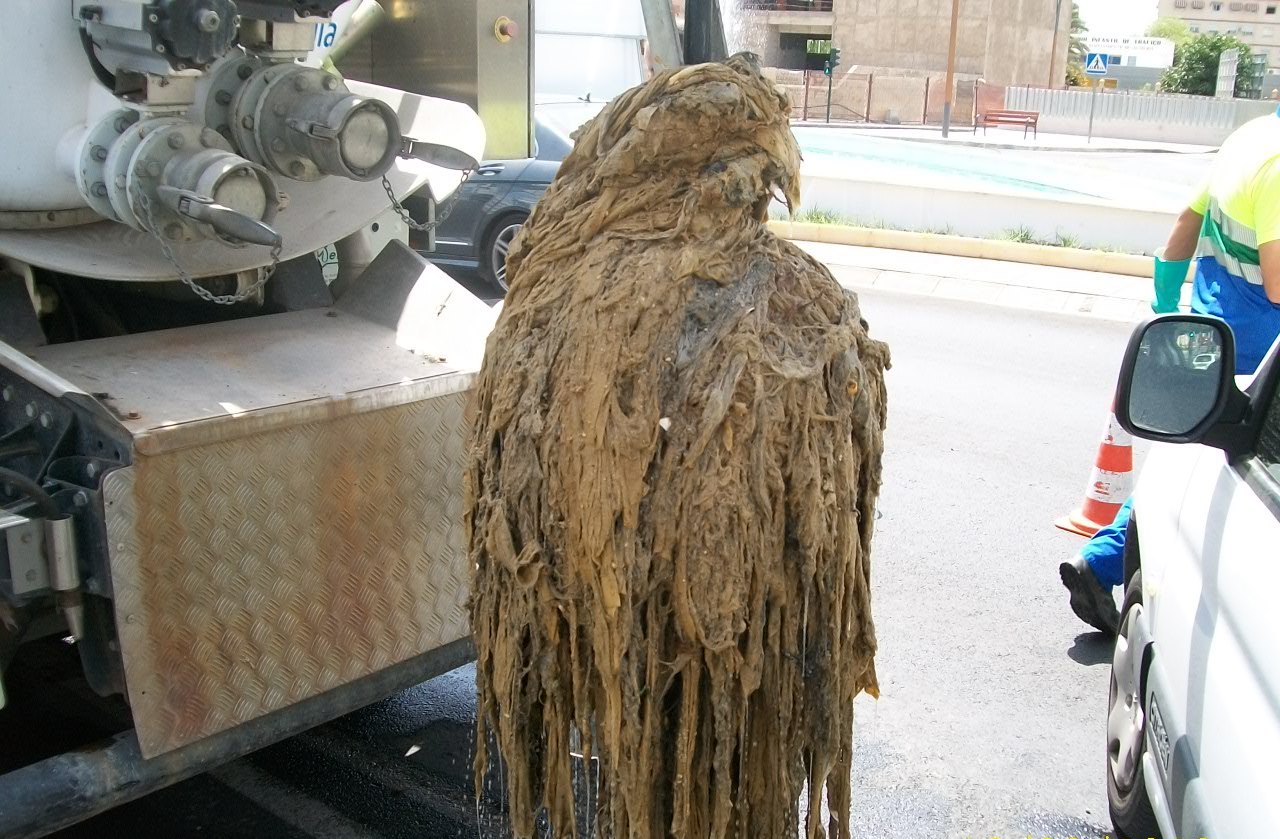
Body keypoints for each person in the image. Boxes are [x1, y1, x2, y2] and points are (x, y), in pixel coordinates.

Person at [1060, 109, 1280, 635]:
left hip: (1213, 336)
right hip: (1255, 352)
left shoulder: (1249, 139)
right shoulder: (1277, 167)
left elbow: (1186, 222)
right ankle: (1111, 563)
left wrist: (1165, 302)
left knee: (1193, 464)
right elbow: (1277, 283)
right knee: (1227, 474)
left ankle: (1103, 561)